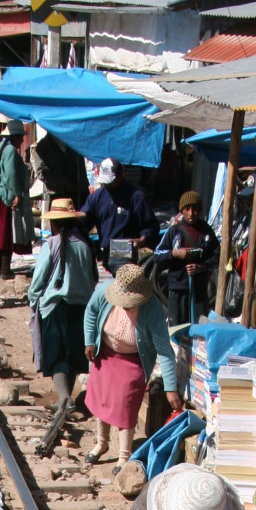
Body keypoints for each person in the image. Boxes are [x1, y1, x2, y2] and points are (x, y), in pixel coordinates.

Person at [82, 262, 180, 466]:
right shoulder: (105, 291)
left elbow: (165, 350)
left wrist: (171, 388)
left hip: (133, 360)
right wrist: (89, 341)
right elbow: (91, 313)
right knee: (102, 399)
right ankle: (102, 443)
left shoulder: (152, 309)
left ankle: (123, 456)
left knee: (125, 406)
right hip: (106, 354)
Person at [27, 195, 97, 410]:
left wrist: (33, 301)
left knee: (56, 353)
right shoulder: (85, 246)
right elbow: (92, 277)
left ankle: (65, 398)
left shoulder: (51, 244)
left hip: (55, 307)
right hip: (81, 308)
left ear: (55, 223)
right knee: (74, 353)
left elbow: (38, 280)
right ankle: (66, 397)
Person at [156, 191, 218, 333]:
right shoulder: (174, 231)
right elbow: (157, 255)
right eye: (187, 209)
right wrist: (176, 254)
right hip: (178, 288)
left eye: (195, 209)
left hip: (199, 290)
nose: (191, 213)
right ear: (182, 210)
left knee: (200, 329)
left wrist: (202, 267)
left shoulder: (206, 232)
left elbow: (217, 256)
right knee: (177, 330)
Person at [81, 159, 156, 267]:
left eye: (112, 182)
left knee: (121, 276)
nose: (109, 185)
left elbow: (150, 225)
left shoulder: (136, 197)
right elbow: (85, 222)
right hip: (104, 249)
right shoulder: (96, 197)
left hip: (123, 246)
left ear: (121, 175)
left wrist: (142, 239)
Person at [0, 118, 30, 280]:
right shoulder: (10, 151)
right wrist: (15, 194)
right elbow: (10, 174)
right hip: (4, 195)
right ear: (15, 137)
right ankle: (5, 268)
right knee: (6, 233)